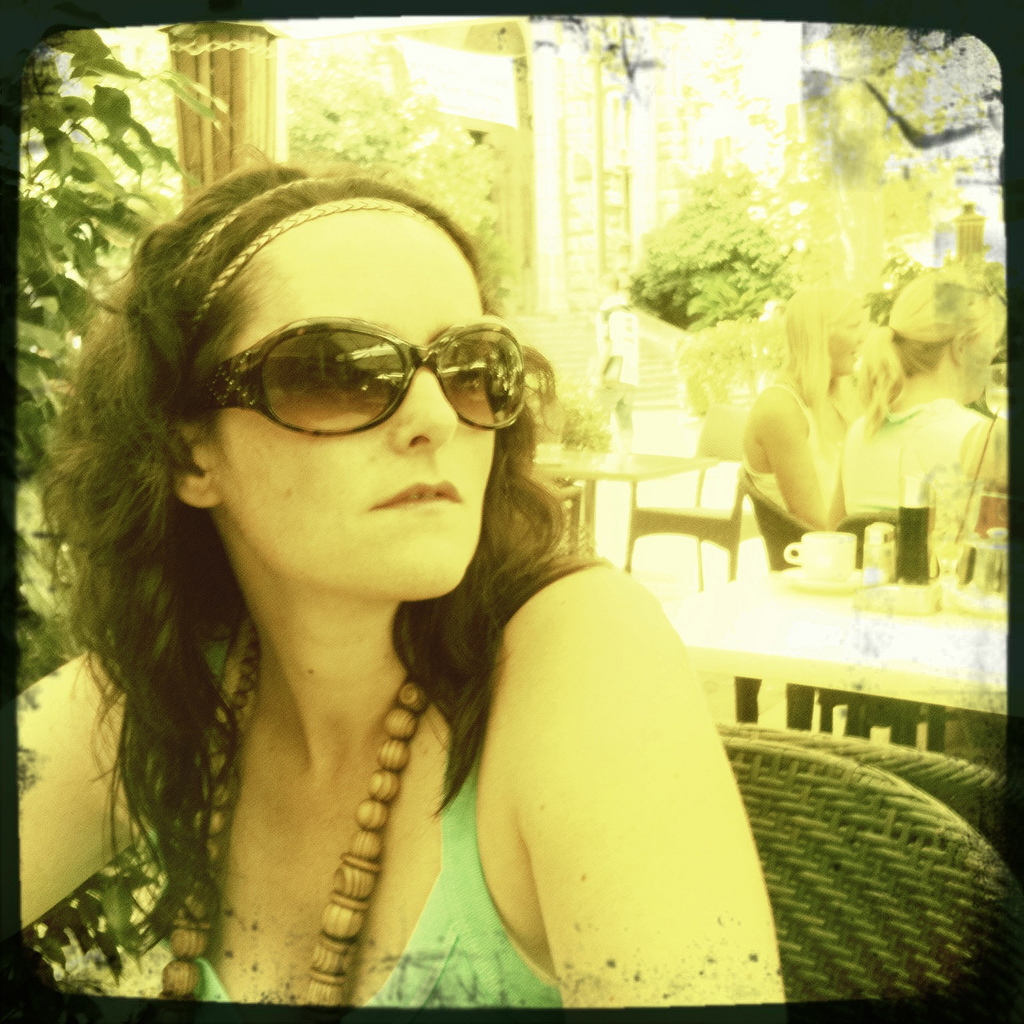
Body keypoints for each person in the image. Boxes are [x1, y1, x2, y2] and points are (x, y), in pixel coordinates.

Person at [18, 164, 784, 1010]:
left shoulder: (584, 655)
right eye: (338, 371)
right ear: (188, 453)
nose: (436, 418)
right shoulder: (180, 687)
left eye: (471, 367)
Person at [835, 266, 1005, 520]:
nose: (993, 357)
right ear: (961, 346)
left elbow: (832, 535)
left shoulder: (859, 432)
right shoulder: (981, 440)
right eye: (990, 345)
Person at [742, 288, 866, 531]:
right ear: (819, 335)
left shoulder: (838, 399)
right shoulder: (780, 407)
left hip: (851, 542)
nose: (863, 338)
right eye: (853, 326)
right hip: (817, 551)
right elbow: (816, 523)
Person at [594, 273, 641, 455]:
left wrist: (599, 373)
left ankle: (604, 455)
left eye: (599, 289)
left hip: (613, 371)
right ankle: (628, 454)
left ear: (605, 287)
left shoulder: (606, 311)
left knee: (599, 415)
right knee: (625, 416)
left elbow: (608, 344)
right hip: (631, 371)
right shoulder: (629, 312)